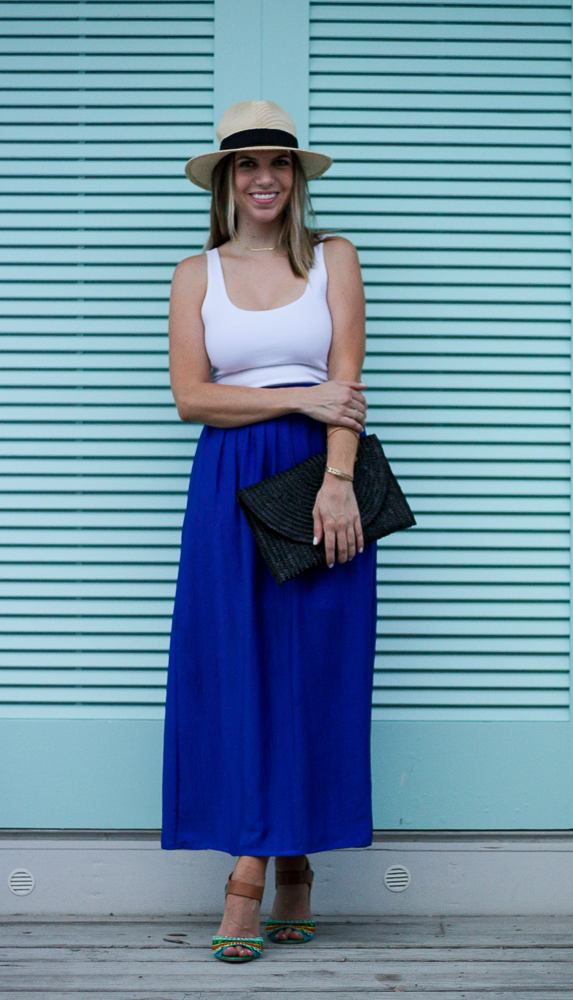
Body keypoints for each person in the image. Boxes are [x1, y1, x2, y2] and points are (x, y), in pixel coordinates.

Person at [161, 100, 377, 963]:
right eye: (245, 166)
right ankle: (259, 862)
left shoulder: (334, 258)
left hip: (322, 474)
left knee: (316, 668)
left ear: (295, 179)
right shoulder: (194, 274)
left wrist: (336, 481)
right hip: (229, 480)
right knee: (237, 669)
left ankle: (291, 862)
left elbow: (347, 377)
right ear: (224, 181)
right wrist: (295, 396)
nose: (263, 179)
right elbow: (192, 398)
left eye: (278, 165)